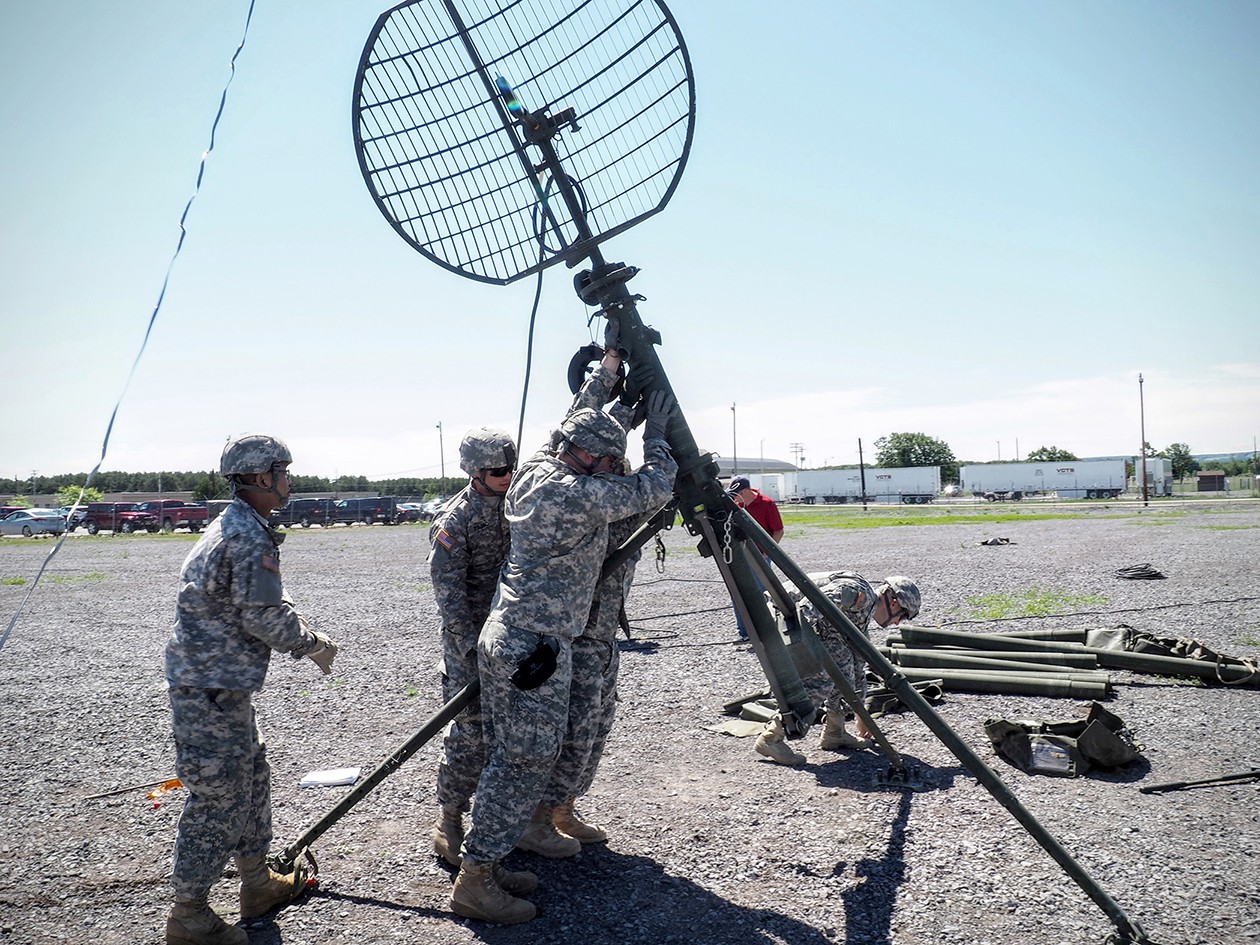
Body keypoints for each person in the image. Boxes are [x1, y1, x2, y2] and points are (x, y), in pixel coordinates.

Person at [449, 349, 678, 925]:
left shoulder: (536, 472)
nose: (609, 471)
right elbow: (652, 487)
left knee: (517, 755)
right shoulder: (575, 493)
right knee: (523, 759)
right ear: (592, 460)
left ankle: (491, 862)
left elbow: (572, 419)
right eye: (607, 462)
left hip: (517, 637)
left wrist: (605, 377)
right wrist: (658, 435)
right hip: (534, 646)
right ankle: (475, 880)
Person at [164, 434, 338, 945]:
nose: (289, 479)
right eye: (282, 470)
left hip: (220, 686)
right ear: (260, 478)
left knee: (251, 777)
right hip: (209, 687)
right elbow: (261, 614)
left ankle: (258, 884)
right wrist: (310, 644)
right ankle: (189, 915)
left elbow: (259, 601)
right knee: (218, 797)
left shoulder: (240, 526)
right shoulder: (246, 536)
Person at [542, 430, 661, 846]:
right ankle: (544, 814)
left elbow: (651, 498)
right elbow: (652, 492)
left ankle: (564, 807)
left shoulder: (616, 509)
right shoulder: (589, 509)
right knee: (572, 730)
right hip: (579, 637)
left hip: (604, 638)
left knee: (595, 727)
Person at [427, 427, 516, 868]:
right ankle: (450, 817)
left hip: (512, 636)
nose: (507, 476)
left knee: (514, 734)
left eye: (510, 468)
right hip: (470, 645)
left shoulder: (519, 504)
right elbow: (449, 594)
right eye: (499, 470)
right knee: (470, 732)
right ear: (475, 472)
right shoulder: (454, 520)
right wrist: (470, 650)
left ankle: (507, 823)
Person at [754, 572, 921, 766]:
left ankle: (835, 732)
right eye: (902, 615)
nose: (898, 623)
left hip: (799, 621)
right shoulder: (858, 594)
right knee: (822, 677)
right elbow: (810, 605)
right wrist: (803, 656)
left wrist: (861, 713)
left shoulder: (863, 614)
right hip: (780, 617)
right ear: (893, 603)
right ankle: (771, 737)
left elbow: (859, 667)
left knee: (845, 663)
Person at [727, 476, 783, 640]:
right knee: (738, 592)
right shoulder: (737, 506)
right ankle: (744, 632)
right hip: (741, 557)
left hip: (760, 557)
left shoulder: (767, 504)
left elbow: (778, 530)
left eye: (736, 494)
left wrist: (768, 551)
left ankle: (767, 630)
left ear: (744, 491)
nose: (734, 498)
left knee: (762, 593)